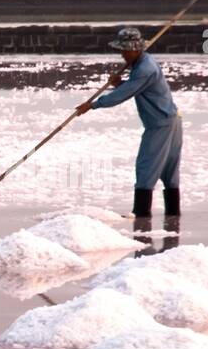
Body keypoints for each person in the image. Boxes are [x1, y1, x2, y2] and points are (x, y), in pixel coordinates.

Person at [75, 27, 182, 218]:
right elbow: (135, 88)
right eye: (121, 50)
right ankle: (172, 215)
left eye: (125, 51)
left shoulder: (144, 68)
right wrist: (120, 83)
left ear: (136, 49)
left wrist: (92, 105)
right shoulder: (142, 64)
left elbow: (121, 96)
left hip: (160, 124)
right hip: (171, 119)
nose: (122, 54)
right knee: (168, 170)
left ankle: (141, 214)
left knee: (147, 166)